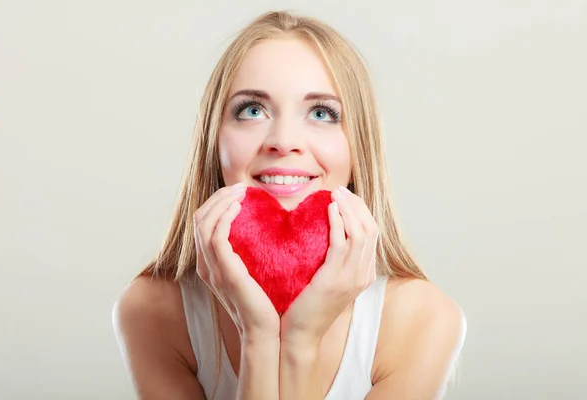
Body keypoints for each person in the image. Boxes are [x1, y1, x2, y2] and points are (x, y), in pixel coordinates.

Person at [113, 10, 466, 400]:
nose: (283, 141)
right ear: (215, 140)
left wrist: (300, 341)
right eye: (252, 110)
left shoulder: (423, 320)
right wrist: (259, 337)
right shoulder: (152, 311)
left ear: (357, 147)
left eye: (321, 113)